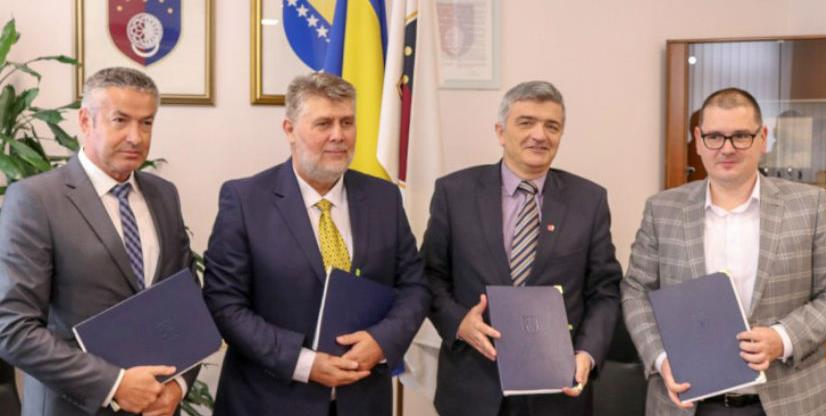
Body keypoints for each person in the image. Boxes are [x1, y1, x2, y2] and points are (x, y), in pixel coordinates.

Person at [203, 73, 430, 416]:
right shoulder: (245, 200)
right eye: (324, 123)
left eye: (347, 122)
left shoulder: (383, 198)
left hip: (363, 400)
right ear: (290, 130)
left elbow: (414, 286)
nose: (338, 135)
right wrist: (303, 362)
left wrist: (382, 341)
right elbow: (224, 304)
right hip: (269, 402)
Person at [622, 87, 826, 416]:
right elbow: (636, 291)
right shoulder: (662, 210)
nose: (727, 148)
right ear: (698, 140)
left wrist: (783, 338)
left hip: (792, 401)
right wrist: (661, 357)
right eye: (715, 136)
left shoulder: (808, 206)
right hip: (686, 403)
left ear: (763, 138)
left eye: (741, 136)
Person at [0, 67, 197, 415]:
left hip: (159, 407)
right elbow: (12, 327)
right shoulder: (36, 199)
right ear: (85, 121)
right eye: (120, 120)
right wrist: (114, 384)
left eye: (146, 123)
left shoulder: (164, 195)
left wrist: (178, 386)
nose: (136, 137)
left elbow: (187, 304)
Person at [422, 80, 623, 416]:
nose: (539, 135)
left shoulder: (589, 200)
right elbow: (429, 276)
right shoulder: (454, 193)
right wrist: (459, 323)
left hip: (558, 391)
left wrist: (587, 354)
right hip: (473, 388)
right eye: (526, 122)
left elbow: (605, 290)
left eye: (552, 126)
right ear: (501, 132)